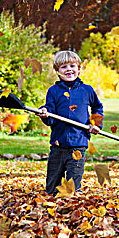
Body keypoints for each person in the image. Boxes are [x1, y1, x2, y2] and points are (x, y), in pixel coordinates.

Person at [37, 51, 103, 195]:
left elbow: (97, 107)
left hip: (78, 144)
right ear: (57, 71)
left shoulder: (87, 90)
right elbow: (50, 117)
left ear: (79, 69)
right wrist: (45, 114)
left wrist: (96, 124)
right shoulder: (53, 91)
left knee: (72, 186)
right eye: (63, 67)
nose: (69, 69)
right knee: (52, 187)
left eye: (72, 66)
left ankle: (72, 211)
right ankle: (51, 211)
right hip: (58, 144)